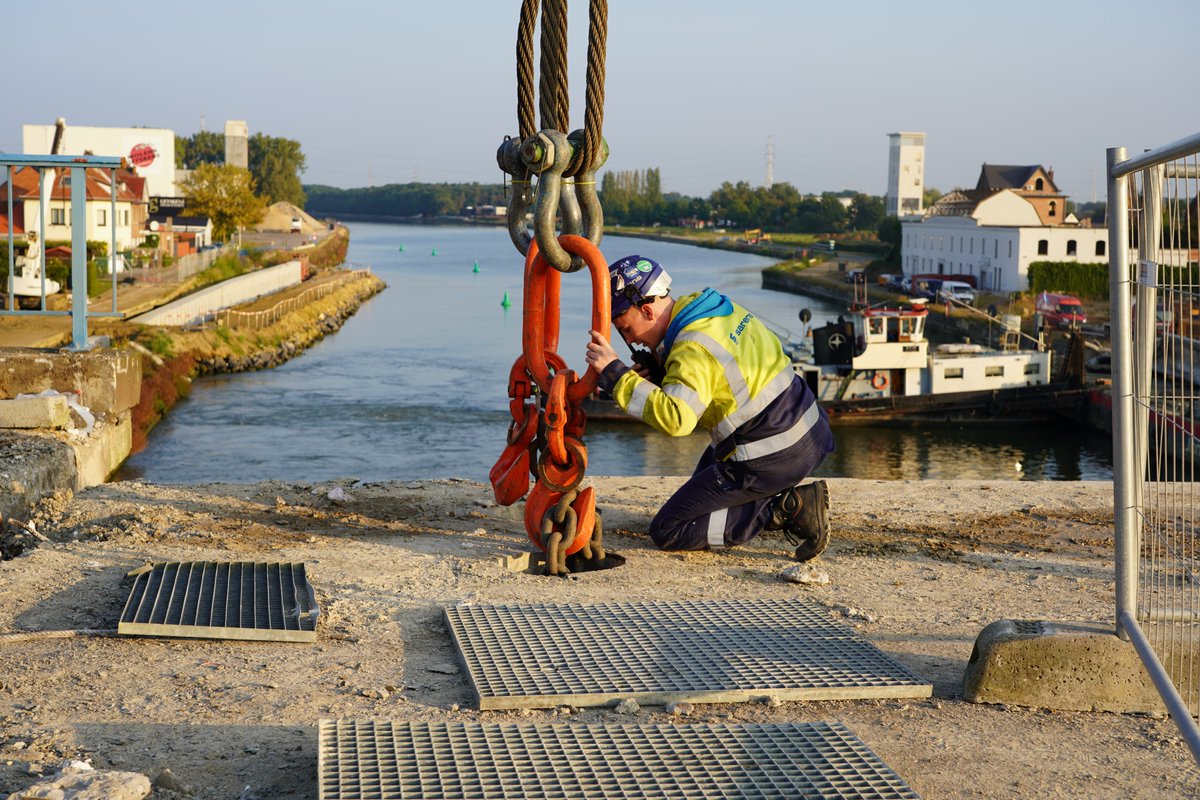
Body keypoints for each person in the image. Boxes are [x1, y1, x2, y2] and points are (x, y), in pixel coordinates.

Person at [585, 254, 835, 560]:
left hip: (772, 454)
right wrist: (664, 371)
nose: (631, 340)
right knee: (703, 483)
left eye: (625, 329)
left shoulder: (691, 347)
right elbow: (721, 375)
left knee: (670, 529)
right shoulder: (711, 307)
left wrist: (615, 375)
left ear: (647, 310)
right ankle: (771, 495)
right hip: (810, 431)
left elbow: (677, 419)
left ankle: (785, 509)